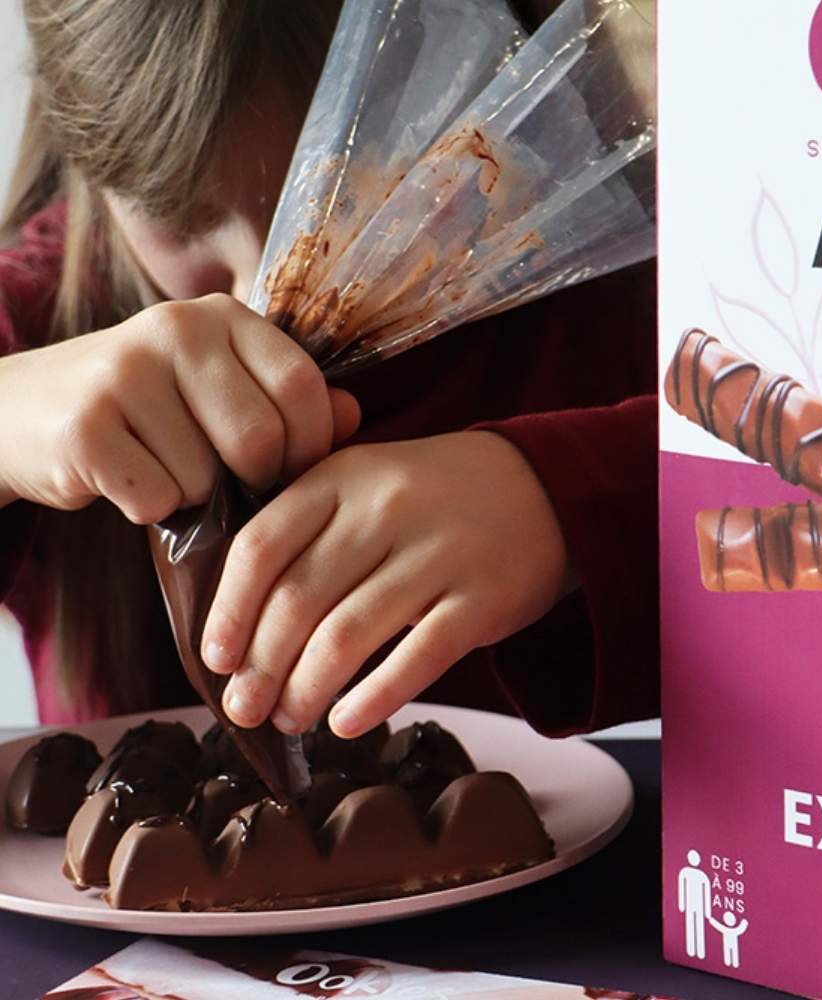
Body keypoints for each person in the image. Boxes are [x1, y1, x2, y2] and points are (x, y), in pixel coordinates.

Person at [0, 0, 657, 740]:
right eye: (183, 221)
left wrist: (567, 505)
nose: (261, 293)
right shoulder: (40, 317)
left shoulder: (636, 292)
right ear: (89, 159)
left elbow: (771, 512)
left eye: (350, 206)